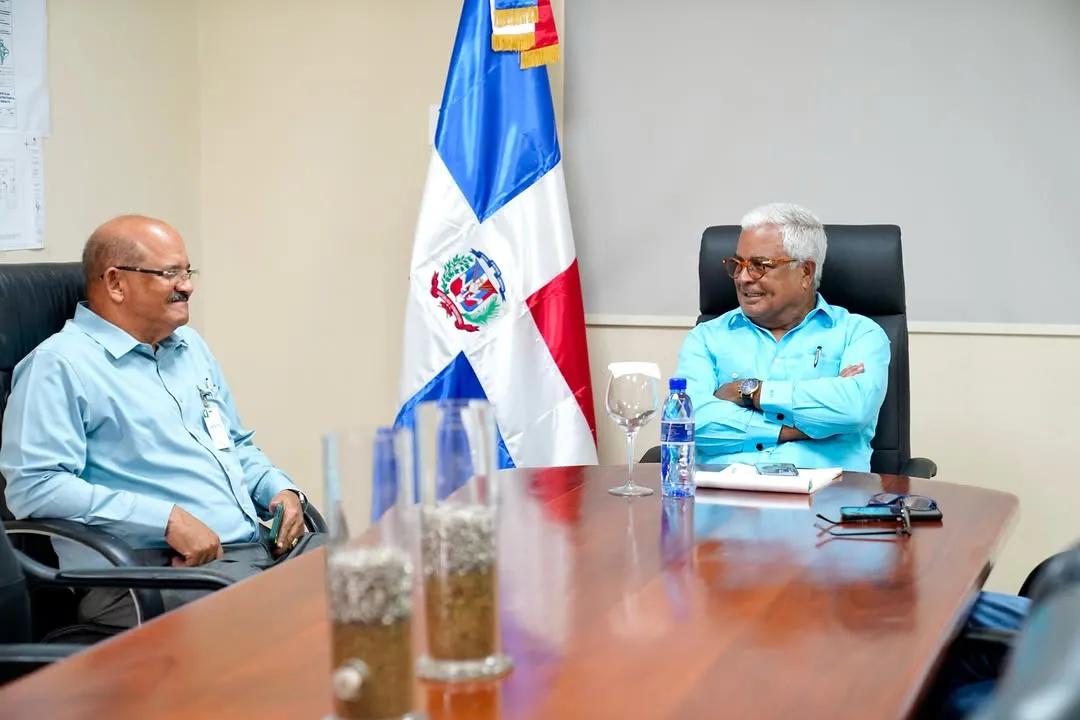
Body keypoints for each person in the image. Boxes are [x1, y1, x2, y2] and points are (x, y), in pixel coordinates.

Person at [0, 214, 324, 632]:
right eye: (170, 273)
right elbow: (34, 487)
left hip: (248, 553)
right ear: (115, 282)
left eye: (188, 272)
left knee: (368, 582)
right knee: (305, 630)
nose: (187, 285)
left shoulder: (189, 348)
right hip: (150, 575)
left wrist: (276, 487)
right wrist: (165, 519)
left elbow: (233, 444)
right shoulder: (59, 365)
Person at [673, 202, 888, 472]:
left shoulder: (859, 333)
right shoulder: (707, 338)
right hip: (726, 501)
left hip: (827, 501)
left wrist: (749, 392)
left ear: (805, 272)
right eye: (737, 264)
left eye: (759, 265)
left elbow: (853, 408)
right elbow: (688, 424)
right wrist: (804, 428)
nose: (742, 278)